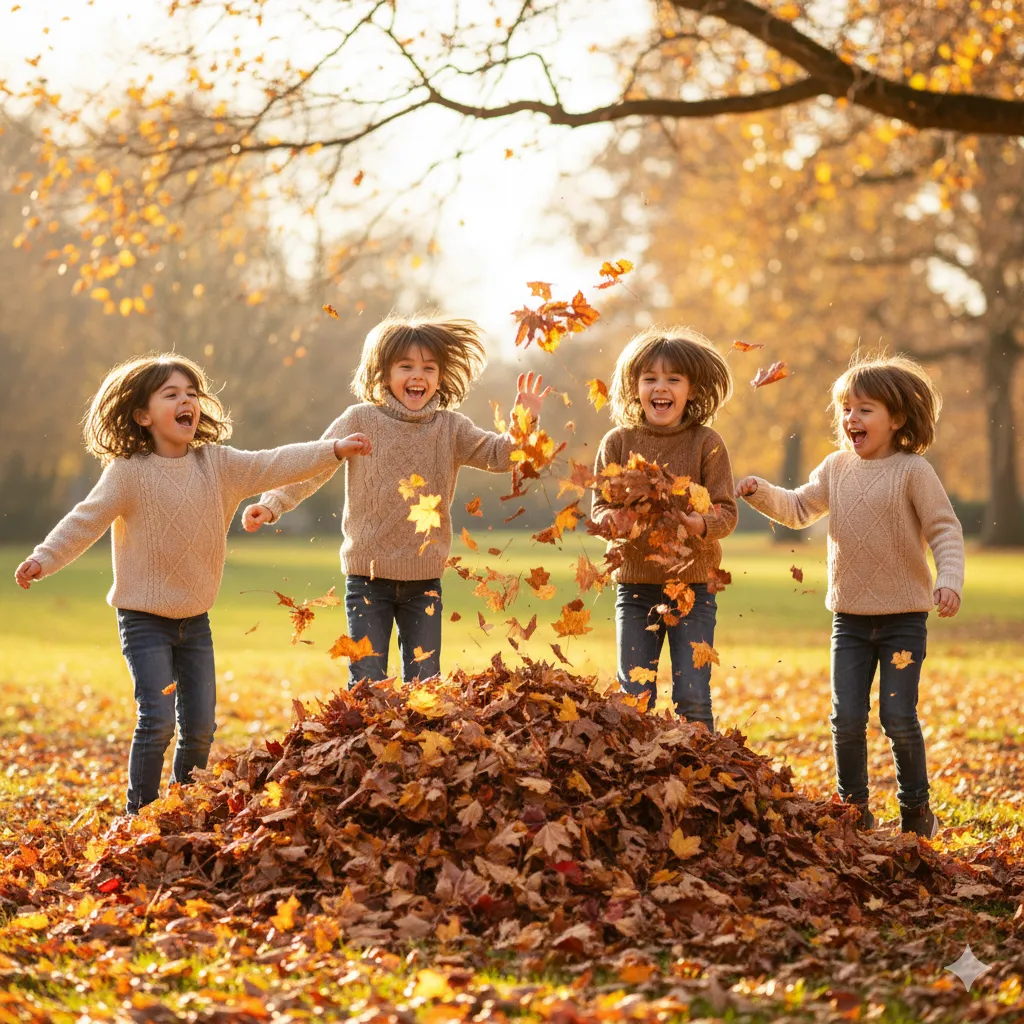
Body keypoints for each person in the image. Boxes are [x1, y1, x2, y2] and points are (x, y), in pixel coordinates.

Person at [14, 354, 369, 814]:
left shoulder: (217, 465)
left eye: (191, 394)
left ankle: (184, 807)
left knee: (200, 727)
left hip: (194, 620)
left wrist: (333, 450)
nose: (187, 401)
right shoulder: (129, 471)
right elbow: (86, 519)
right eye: (171, 395)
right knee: (157, 720)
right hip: (143, 619)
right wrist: (44, 557)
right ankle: (138, 814)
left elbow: (274, 463)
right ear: (144, 416)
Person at [243, 314, 550, 683]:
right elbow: (316, 464)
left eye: (428, 367)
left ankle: (417, 742)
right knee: (367, 680)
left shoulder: (450, 428)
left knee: (425, 683)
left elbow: (499, 456)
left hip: (424, 581)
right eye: (406, 366)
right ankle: (362, 740)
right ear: (384, 373)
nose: (418, 375)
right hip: (367, 579)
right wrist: (272, 503)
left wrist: (523, 421)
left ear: (440, 377)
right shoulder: (360, 419)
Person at [736, 354, 964, 837]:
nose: (851, 419)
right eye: (845, 409)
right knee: (846, 720)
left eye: (864, 409)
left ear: (896, 419)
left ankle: (916, 810)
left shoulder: (912, 471)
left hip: (904, 617)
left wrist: (949, 579)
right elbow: (799, 508)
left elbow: (944, 529)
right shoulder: (836, 468)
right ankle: (854, 809)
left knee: (898, 717)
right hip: (850, 620)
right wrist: (760, 492)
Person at [592, 326, 737, 731]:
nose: (661, 387)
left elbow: (726, 511)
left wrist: (697, 523)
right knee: (634, 696)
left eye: (673, 379)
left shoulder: (706, 443)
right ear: (634, 387)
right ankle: (638, 773)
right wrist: (616, 521)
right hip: (636, 589)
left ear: (691, 389)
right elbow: (601, 507)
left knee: (692, 693)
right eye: (650, 379)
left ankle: (702, 776)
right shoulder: (618, 442)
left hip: (693, 590)